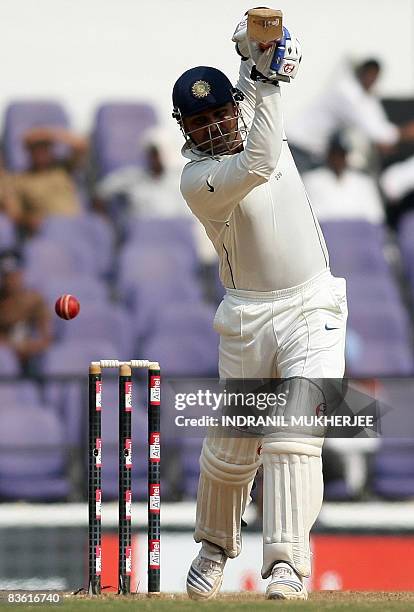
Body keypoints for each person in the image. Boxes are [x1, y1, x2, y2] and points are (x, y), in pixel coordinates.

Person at [172, 12, 347, 602]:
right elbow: (261, 162)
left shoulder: (255, 115)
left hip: (313, 305)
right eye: (200, 121)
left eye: (220, 112)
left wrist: (260, 51)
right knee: (231, 448)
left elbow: (259, 67)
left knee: (295, 431)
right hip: (248, 315)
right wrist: (269, 79)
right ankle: (215, 547)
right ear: (186, 130)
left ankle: (287, 566)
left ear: (232, 109)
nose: (215, 126)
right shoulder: (200, 179)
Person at [287, 58, 414, 173]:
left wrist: (393, 136)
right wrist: (401, 133)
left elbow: (375, 120)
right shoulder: (347, 92)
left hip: (313, 151)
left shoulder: (362, 95)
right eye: (370, 75)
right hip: (299, 146)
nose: (372, 80)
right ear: (362, 73)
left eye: (375, 77)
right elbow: (370, 127)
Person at [12, 127, 88, 236]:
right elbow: (15, 214)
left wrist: (52, 134)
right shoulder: (21, 180)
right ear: (28, 151)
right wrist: (30, 221)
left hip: (78, 226)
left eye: (45, 147)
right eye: (36, 148)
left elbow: (81, 146)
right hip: (51, 231)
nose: (41, 152)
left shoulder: (63, 169)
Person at [303, 134, 385, 223]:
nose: (338, 159)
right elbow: (310, 216)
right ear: (328, 154)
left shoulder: (364, 182)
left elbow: (376, 216)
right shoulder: (311, 180)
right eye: (335, 154)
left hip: (357, 233)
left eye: (341, 155)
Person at [0, 250, 52, 372]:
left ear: (22, 274)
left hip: (32, 359)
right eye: (6, 275)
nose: (10, 280)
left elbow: (46, 339)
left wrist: (26, 347)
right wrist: (13, 347)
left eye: (14, 275)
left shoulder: (35, 300)